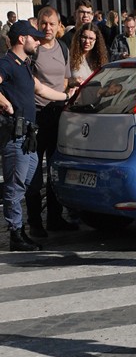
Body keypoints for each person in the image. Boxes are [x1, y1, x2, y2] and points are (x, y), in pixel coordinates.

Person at [0, 21, 72, 251]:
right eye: (34, 38)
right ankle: (16, 234)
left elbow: (39, 89)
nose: (39, 41)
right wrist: (6, 104)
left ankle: (18, 227)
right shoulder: (6, 63)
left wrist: (66, 96)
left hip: (29, 135)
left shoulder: (24, 65)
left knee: (29, 182)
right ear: (22, 39)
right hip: (15, 134)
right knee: (16, 184)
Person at [26, 6, 76, 238]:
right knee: (34, 172)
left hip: (57, 115)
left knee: (56, 169)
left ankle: (55, 218)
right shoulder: (33, 49)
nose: (48, 28)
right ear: (38, 24)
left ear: (58, 26)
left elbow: (65, 79)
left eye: (52, 24)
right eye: (44, 23)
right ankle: (35, 222)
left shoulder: (63, 48)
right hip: (36, 117)